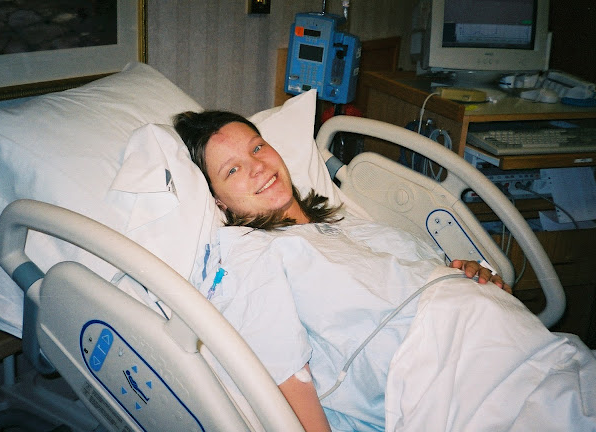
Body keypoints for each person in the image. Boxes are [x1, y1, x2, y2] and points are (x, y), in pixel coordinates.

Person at [173, 111, 592, 432]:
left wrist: (466, 274)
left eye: (257, 148)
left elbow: (409, 281)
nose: (257, 167)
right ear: (218, 202)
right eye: (231, 170)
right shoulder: (250, 252)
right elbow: (281, 366)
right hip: (454, 373)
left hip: (524, 344)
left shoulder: (346, 226)